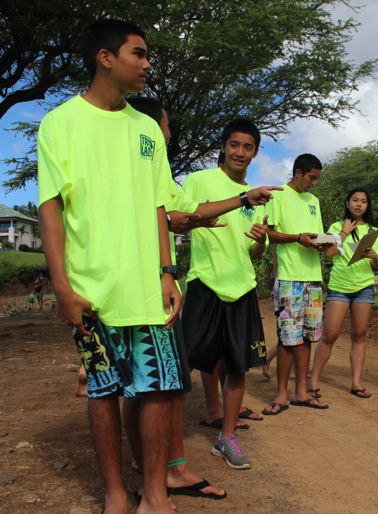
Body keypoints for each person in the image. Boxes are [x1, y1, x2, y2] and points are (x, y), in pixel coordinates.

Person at [38, 20, 183, 513]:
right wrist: (62, 286)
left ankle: (157, 493)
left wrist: (168, 272)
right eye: (138, 54)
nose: (147, 65)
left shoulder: (147, 129)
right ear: (105, 57)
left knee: (159, 389)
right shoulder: (59, 123)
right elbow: (51, 208)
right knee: (102, 391)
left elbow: (160, 207)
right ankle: (116, 492)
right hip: (91, 290)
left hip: (147, 285)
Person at [180, 118, 273, 470]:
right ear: (222, 146)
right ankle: (168, 443)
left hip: (243, 286)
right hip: (205, 283)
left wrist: (261, 242)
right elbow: (183, 218)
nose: (240, 152)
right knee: (184, 362)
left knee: (238, 366)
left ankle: (227, 437)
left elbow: (254, 254)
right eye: (234, 145)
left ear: (255, 153)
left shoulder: (259, 198)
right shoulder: (200, 180)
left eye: (248, 147)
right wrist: (239, 199)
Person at [263, 154, 330, 414]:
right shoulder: (277, 196)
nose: (314, 183)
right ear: (298, 173)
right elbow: (268, 232)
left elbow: (318, 235)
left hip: (313, 278)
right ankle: (281, 396)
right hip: (290, 278)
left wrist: (325, 243)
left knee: (308, 337)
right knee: (288, 340)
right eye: (311, 178)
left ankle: (301, 392)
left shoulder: (313, 201)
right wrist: (297, 238)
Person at [309, 189, 378, 399]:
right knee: (330, 334)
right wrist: (344, 232)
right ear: (347, 202)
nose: (359, 204)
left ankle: (357, 382)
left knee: (359, 335)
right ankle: (313, 380)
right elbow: (329, 253)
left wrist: (374, 255)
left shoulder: (373, 231)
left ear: (367, 206)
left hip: (364, 287)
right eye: (355, 200)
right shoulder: (335, 226)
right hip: (340, 287)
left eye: (363, 201)